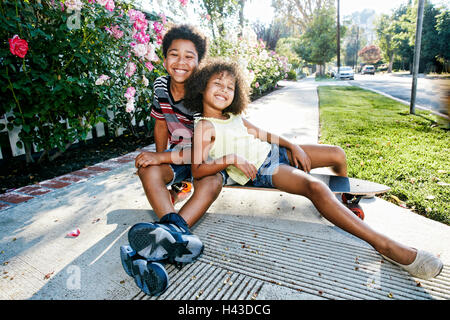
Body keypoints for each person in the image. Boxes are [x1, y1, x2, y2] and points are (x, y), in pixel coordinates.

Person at [184, 59, 443, 283]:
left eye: (230, 87)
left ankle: (341, 204)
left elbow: (262, 134)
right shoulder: (204, 127)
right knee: (315, 187)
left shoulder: (234, 117)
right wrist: (230, 159)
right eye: (217, 84)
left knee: (336, 154)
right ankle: (387, 246)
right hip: (265, 168)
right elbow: (198, 170)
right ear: (202, 86)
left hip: (275, 153)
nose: (224, 90)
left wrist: (293, 146)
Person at [120, 25, 223, 296]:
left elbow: (201, 150)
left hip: (204, 159)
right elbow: (161, 125)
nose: (181, 62)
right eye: (174, 54)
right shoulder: (160, 86)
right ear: (164, 59)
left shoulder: (204, 95)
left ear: (200, 62)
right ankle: (175, 238)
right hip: (177, 157)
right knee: (147, 168)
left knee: (212, 182)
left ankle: (144, 253)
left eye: (189, 56)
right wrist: (158, 161)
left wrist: (161, 156)